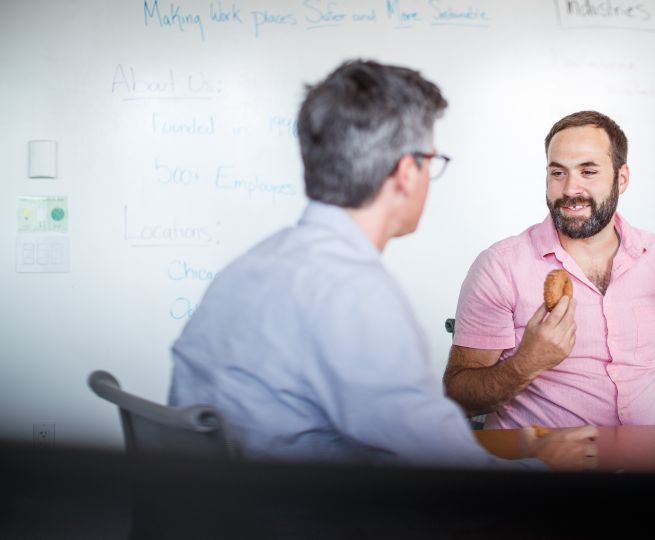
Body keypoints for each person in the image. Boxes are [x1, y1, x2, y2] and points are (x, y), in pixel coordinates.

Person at [168, 60, 597, 470]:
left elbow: (389, 433)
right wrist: (544, 465)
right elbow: (445, 475)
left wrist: (516, 445)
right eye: (431, 161)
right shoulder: (356, 295)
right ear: (406, 171)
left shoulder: (249, 267)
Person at [443, 110, 655, 430]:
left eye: (588, 171)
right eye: (558, 173)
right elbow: (457, 395)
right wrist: (527, 364)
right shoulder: (500, 267)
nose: (570, 189)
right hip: (536, 467)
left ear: (622, 178)